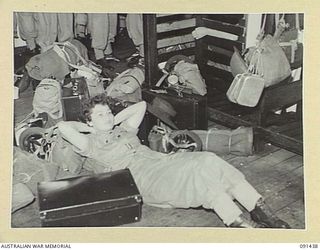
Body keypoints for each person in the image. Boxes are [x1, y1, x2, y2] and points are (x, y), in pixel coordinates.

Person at [57, 94, 291, 229]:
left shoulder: (124, 130)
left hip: (161, 162)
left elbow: (140, 106)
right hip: (143, 180)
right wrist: (90, 128)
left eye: (108, 112)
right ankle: (239, 224)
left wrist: (111, 120)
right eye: (101, 115)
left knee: (208, 159)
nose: (107, 116)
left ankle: (258, 208)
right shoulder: (91, 145)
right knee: (199, 177)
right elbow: (63, 127)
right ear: (89, 123)